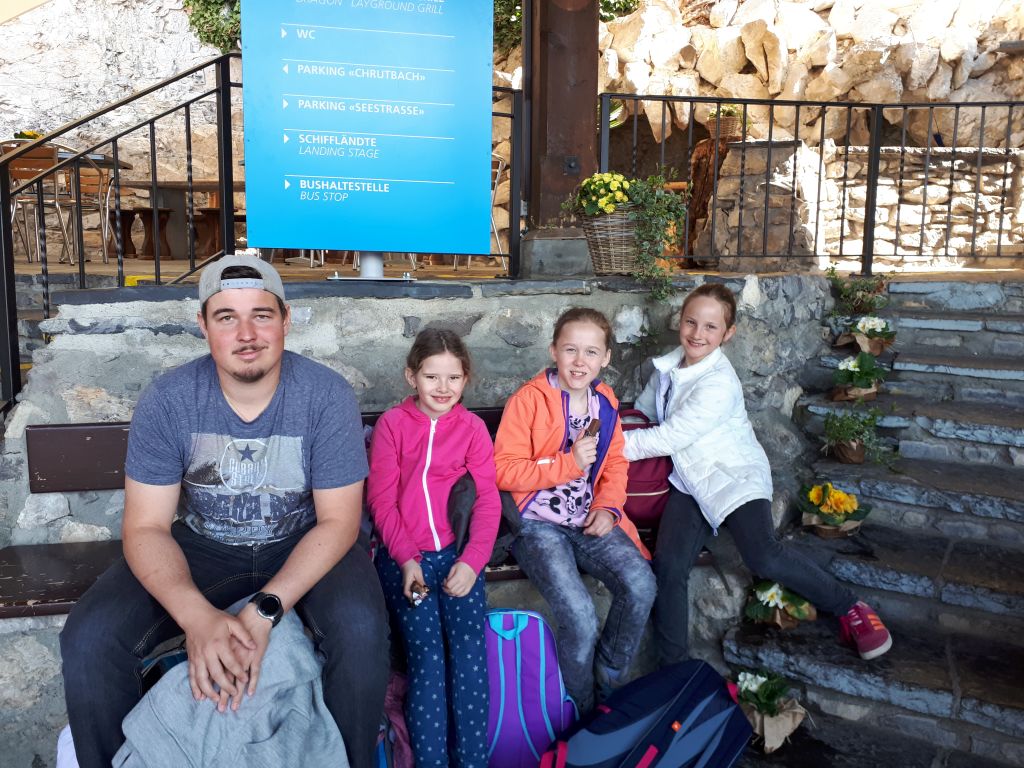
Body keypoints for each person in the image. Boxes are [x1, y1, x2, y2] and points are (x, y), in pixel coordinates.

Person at [59, 254, 389, 768]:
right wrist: (196, 618)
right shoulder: (169, 400)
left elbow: (339, 522)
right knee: (89, 639)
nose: (246, 334)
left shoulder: (325, 395)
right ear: (203, 325)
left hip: (303, 540)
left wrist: (264, 611)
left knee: (361, 630)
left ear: (285, 320)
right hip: (204, 546)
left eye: (261, 315)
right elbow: (146, 527)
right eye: (227, 317)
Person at [624, 283, 893, 665]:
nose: (698, 334)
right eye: (691, 322)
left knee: (763, 555)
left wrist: (605, 446)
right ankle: (675, 671)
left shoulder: (718, 382)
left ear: (728, 333)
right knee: (668, 565)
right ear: (680, 321)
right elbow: (644, 414)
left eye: (711, 327)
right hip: (688, 480)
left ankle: (850, 607)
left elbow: (669, 437)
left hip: (734, 475)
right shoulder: (668, 369)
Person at [493, 307, 655, 714]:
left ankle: (609, 683)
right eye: (570, 350)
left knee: (641, 584)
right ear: (554, 351)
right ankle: (578, 710)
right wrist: (568, 463)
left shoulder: (605, 402)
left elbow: (615, 463)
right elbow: (502, 470)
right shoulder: (529, 400)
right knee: (580, 616)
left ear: (606, 358)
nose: (580, 361)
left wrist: (608, 507)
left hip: (586, 517)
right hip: (536, 525)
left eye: (591, 352)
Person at [367, 328, 500, 768]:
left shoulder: (473, 430)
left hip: (458, 558)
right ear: (412, 376)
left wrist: (473, 562)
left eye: (453, 378)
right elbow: (381, 501)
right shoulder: (392, 426)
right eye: (431, 377)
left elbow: (487, 501)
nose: (443, 388)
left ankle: (473, 761)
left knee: (469, 656)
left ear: (466, 379)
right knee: (427, 658)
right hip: (408, 562)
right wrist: (407, 561)